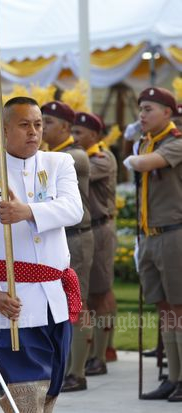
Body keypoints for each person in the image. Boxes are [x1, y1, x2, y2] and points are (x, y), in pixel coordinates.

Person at [0, 96, 82, 411]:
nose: (34, 132)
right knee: (24, 392)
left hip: (55, 299)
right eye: (24, 125)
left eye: (38, 124)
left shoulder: (59, 163)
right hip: (12, 301)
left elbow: (74, 209)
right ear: (4, 130)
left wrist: (27, 211)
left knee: (50, 389)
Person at [124, 87, 182, 402]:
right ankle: (172, 377)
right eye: (141, 109)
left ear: (167, 113)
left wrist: (132, 155)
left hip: (174, 234)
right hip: (149, 235)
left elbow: (146, 164)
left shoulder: (176, 143)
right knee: (163, 309)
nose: (142, 115)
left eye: (148, 109)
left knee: (178, 308)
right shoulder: (147, 142)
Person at [41, 100, 94, 392]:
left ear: (65, 127)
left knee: (79, 300)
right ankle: (65, 364)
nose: (41, 128)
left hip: (76, 235)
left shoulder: (75, 156)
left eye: (47, 123)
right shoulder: (53, 155)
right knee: (60, 300)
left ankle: (78, 371)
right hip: (58, 236)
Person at [72, 112, 118, 378]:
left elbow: (79, 174)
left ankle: (102, 354)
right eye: (73, 132)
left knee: (100, 291)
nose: (75, 138)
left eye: (80, 133)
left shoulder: (101, 159)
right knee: (85, 293)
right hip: (88, 227)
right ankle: (91, 350)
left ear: (95, 136)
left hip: (99, 228)